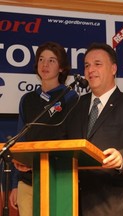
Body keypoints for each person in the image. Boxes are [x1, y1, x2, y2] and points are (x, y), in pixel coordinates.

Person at [66, 42, 123, 216]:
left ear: (113, 69)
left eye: (97, 64)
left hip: (117, 206)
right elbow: (62, 146)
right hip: (76, 205)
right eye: (87, 65)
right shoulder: (75, 105)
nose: (90, 70)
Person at [9, 41, 77, 216]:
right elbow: (21, 140)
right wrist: (16, 184)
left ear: (61, 68)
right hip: (27, 182)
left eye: (52, 60)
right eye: (41, 59)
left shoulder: (70, 98)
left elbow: (71, 142)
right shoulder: (27, 99)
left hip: (57, 180)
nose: (45, 64)